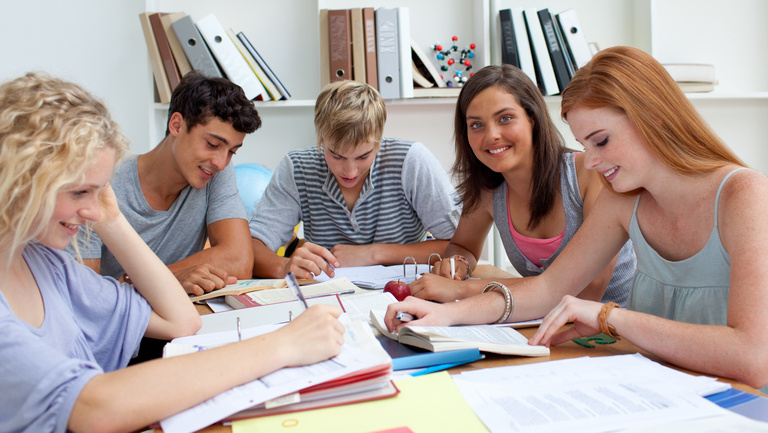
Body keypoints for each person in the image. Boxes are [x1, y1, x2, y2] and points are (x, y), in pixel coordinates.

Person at [384, 46, 768, 391]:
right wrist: (445, 314)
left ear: (654, 117)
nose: (592, 160)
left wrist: (610, 318)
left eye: (601, 141)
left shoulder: (744, 195)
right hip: (659, 385)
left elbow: (752, 358)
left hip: (736, 401)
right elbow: (548, 289)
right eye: (585, 145)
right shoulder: (623, 198)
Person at [0, 73, 345, 433]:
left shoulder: (48, 266)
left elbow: (184, 321)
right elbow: (92, 407)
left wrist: (112, 220)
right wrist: (283, 345)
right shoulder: (47, 266)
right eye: (78, 192)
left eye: (98, 193)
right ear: (20, 179)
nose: (91, 212)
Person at [409, 64, 635, 305]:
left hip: (611, 322)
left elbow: (587, 290)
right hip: (540, 318)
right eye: (476, 125)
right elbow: (463, 246)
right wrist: (458, 264)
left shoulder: (589, 174)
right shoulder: (488, 189)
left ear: (532, 118)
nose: (491, 135)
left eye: (505, 118)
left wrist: (463, 290)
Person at [69, 71, 260, 296]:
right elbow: (83, 294)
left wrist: (148, 281)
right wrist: (169, 280)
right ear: (177, 125)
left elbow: (238, 261)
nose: (220, 162)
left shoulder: (215, 172)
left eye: (232, 152)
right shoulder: (101, 183)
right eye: (212, 144)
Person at [249, 80, 461, 279]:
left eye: (363, 156)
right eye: (336, 156)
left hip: (405, 294)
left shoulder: (411, 161)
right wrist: (284, 266)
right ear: (321, 138)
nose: (350, 172)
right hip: (327, 296)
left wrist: (374, 253)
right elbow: (252, 246)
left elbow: (460, 246)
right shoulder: (297, 168)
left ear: (378, 142)